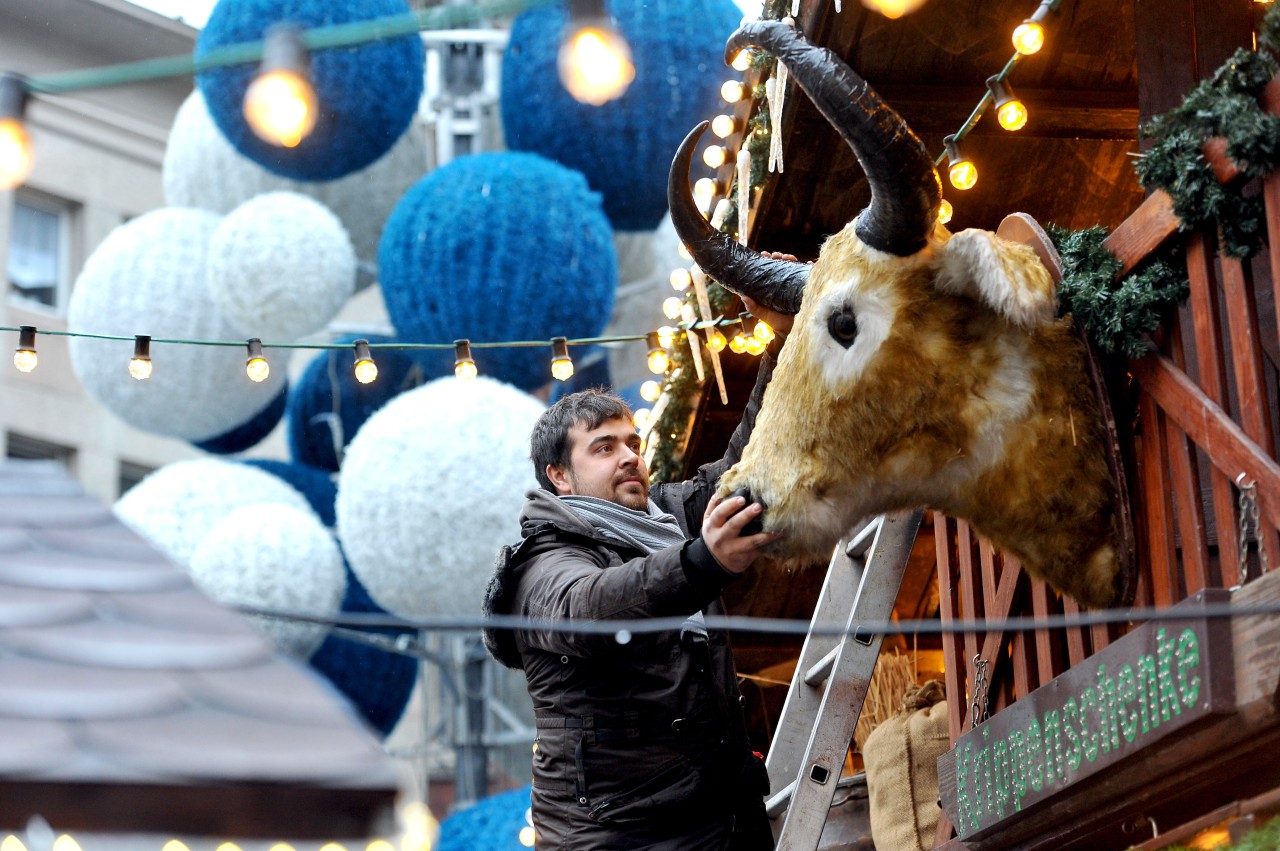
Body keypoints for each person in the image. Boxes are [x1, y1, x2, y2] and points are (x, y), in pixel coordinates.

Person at [483, 300, 792, 851]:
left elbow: (751, 462)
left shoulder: (666, 519)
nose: (629, 456)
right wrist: (704, 562)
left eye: (632, 442)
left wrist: (781, 344)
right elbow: (596, 606)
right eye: (604, 448)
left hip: (717, 817)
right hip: (618, 834)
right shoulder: (541, 565)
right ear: (560, 476)